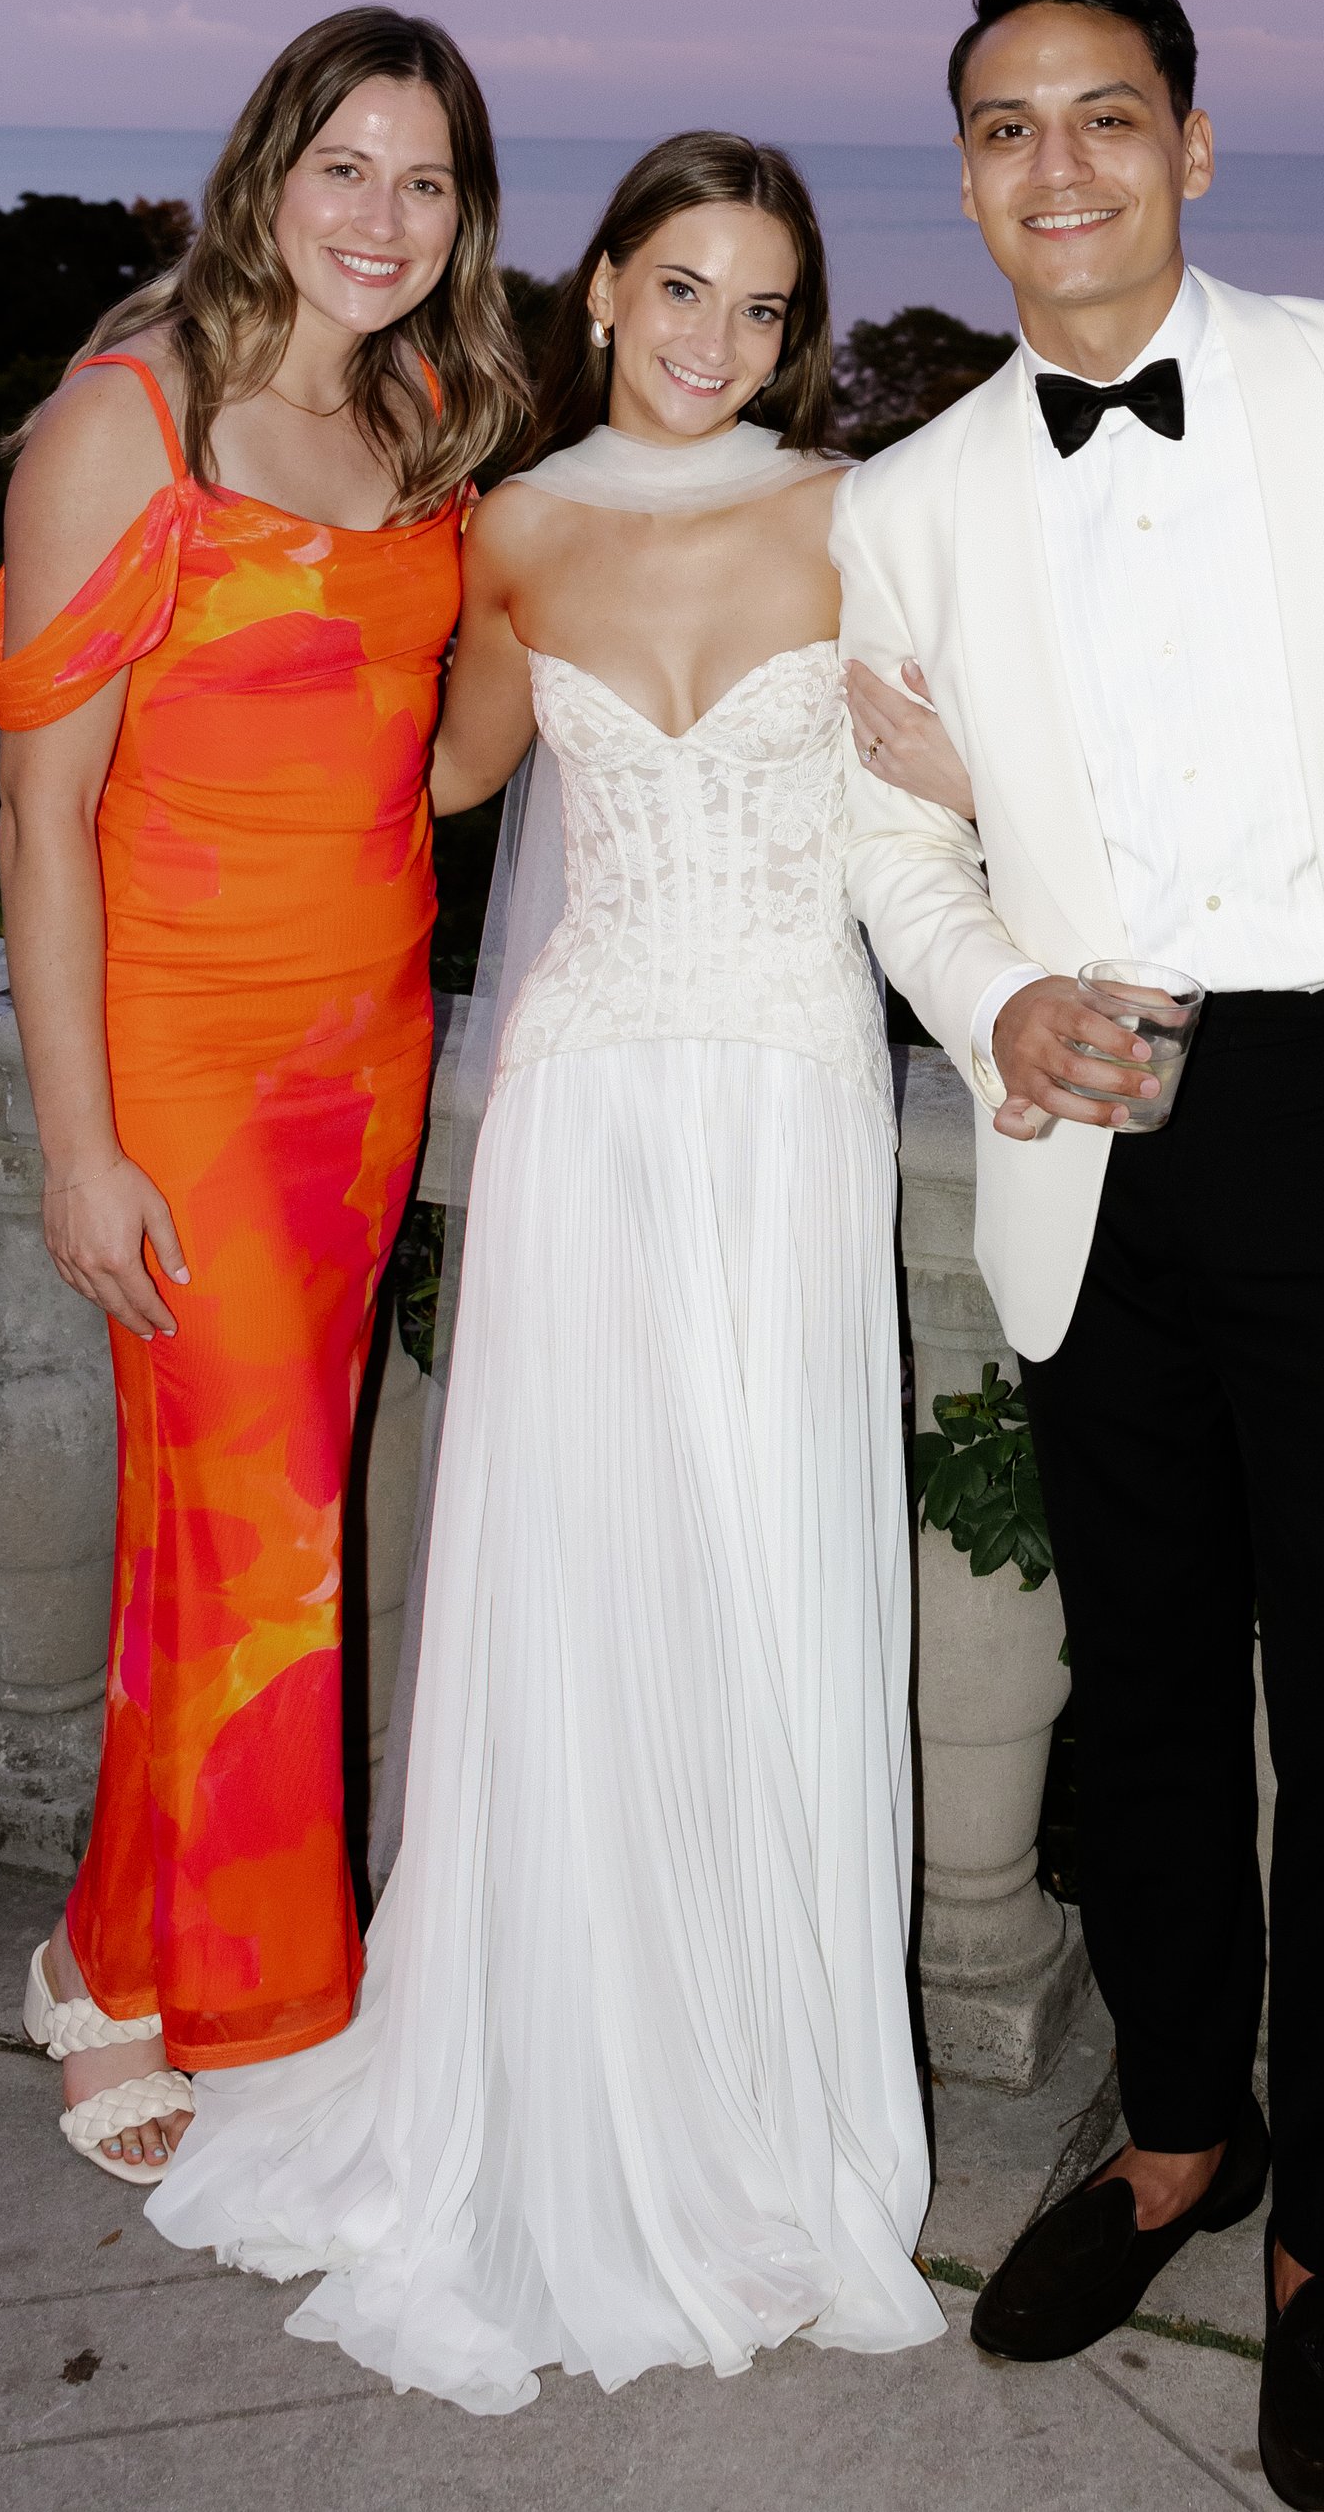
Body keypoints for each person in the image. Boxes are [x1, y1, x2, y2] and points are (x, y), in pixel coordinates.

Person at [151, 133, 964, 2406]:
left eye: (763, 305)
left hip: (791, 1102)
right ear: (600, 289)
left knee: (767, 1569)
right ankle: (559, 2083)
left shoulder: (859, 519)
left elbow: (934, 801)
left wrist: (973, 770)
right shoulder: (504, 527)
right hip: (588, 1099)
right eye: (682, 287)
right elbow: (421, 788)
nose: (719, 340)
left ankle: (758, 2106)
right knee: (586, 1572)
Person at [837, 0, 1324, 2512]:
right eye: (1007, 126)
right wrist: (989, 995)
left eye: (1106, 115)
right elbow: (893, 836)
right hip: (1081, 1130)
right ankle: (1180, 2129)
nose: (1059, 165)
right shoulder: (901, 504)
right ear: (965, 172)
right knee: (1136, 1686)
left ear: (1192, 147)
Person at [0, 8, 532, 2180]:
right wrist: (80, 1144)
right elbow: (42, 818)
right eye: (345, 168)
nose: (383, 217)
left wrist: (608, 620)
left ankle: (175, 1955)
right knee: (239, 1526)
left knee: (267, 1527)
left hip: (364, 1045)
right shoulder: (133, 418)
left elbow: (438, 765)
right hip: (184, 1056)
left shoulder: (422, 417)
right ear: (265, 174)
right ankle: (140, 1970)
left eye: (427, 180)